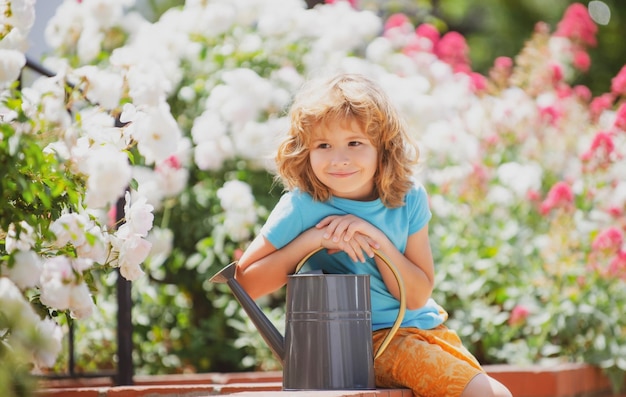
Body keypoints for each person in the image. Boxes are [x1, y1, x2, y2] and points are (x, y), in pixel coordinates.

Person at [235, 73, 513, 397]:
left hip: (430, 329)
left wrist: (376, 241)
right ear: (304, 151)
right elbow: (245, 284)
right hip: (370, 342)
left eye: (355, 143)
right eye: (323, 145)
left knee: (494, 393)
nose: (339, 158)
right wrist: (312, 240)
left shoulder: (407, 198)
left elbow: (418, 295)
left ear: (383, 147)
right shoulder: (302, 206)